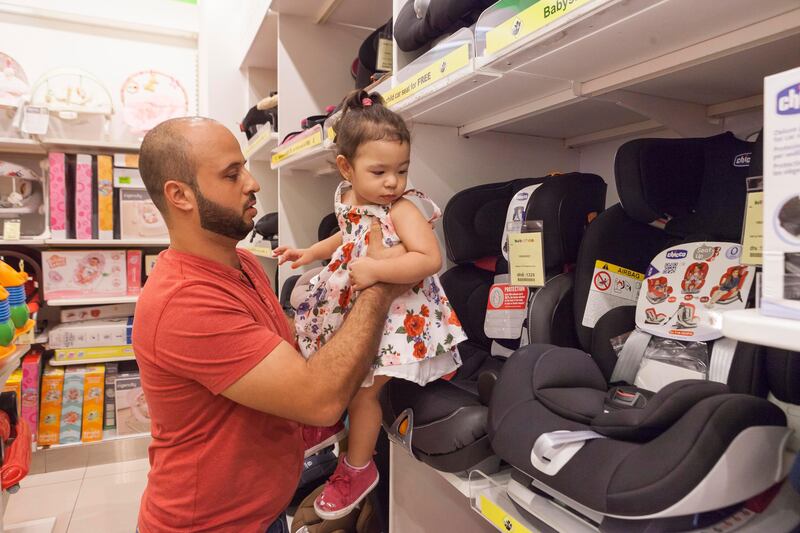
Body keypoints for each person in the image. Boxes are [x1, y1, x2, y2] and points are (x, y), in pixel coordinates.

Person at [132, 116, 413, 533]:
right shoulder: (184, 302)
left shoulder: (242, 262)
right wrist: (382, 284)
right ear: (180, 195)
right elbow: (318, 400)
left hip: (262, 514)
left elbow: (289, 355)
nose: (253, 183)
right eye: (232, 174)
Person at [273, 90, 467, 520]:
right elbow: (347, 234)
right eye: (379, 171)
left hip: (401, 316)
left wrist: (379, 272)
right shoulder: (350, 198)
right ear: (346, 168)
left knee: (363, 392)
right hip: (359, 304)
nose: (393, 182)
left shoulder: (402, 209)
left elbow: (429, 259)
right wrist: (308, 253)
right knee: (329, 365)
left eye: (401, 170)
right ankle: (325, 424)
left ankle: (358, 469)